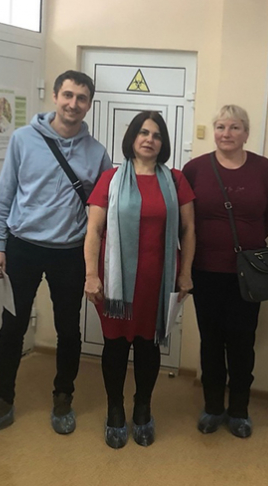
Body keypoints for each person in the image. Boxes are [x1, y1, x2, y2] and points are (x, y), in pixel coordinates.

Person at [0, 70, 112, 438]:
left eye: (81, 98)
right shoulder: (23, 139)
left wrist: (97, 263)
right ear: (55, 96)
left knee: (68, 330)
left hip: (70, 253)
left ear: (89, 105)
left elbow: (102, 213)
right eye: (68, 95)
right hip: (23, 247)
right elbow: (5, 194)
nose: (73, 104)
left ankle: (63, 398)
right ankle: (2, 401)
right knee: (12, 327)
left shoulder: (97, 153)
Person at [84, 111, 196, 449]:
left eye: (157, 135)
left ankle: (143, 409)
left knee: (149, 345)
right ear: (132, 138)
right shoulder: (110, 179)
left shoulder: (175, 180)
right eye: (143, 132)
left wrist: (185, 273)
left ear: (163, 143)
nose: (150, 139)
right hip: (115, 281)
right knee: (116, 345)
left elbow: (189, 230)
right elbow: (94, 230)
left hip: (158, 282)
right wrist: (91, 275)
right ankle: (115, 410)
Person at [182, 105, 268, 438]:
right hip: (205, 271)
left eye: (235, 127)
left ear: (246, 133)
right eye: (221, 127)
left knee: (242, 344)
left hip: (249, 273)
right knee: (211, 343)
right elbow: (185, 219)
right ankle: (212, 407)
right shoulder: (195, 169)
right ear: (214, 131)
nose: (227, 133)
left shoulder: (264, 169)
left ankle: (239, 410)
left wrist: (247, 245)